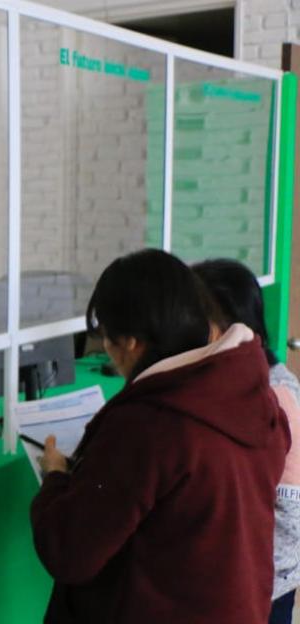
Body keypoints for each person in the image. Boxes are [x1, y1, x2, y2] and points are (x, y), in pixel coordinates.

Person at [31, 249, 288, 623]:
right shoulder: (249, 393)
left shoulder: (149, 425)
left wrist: (55, 479)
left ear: (131, 342)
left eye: (107, 336)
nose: (106, 348)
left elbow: (70, 551)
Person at [193, 258, 300, 624]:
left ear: (217, 327)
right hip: (272, 573)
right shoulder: (274, 378)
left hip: (260, 578)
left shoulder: (264, 396)